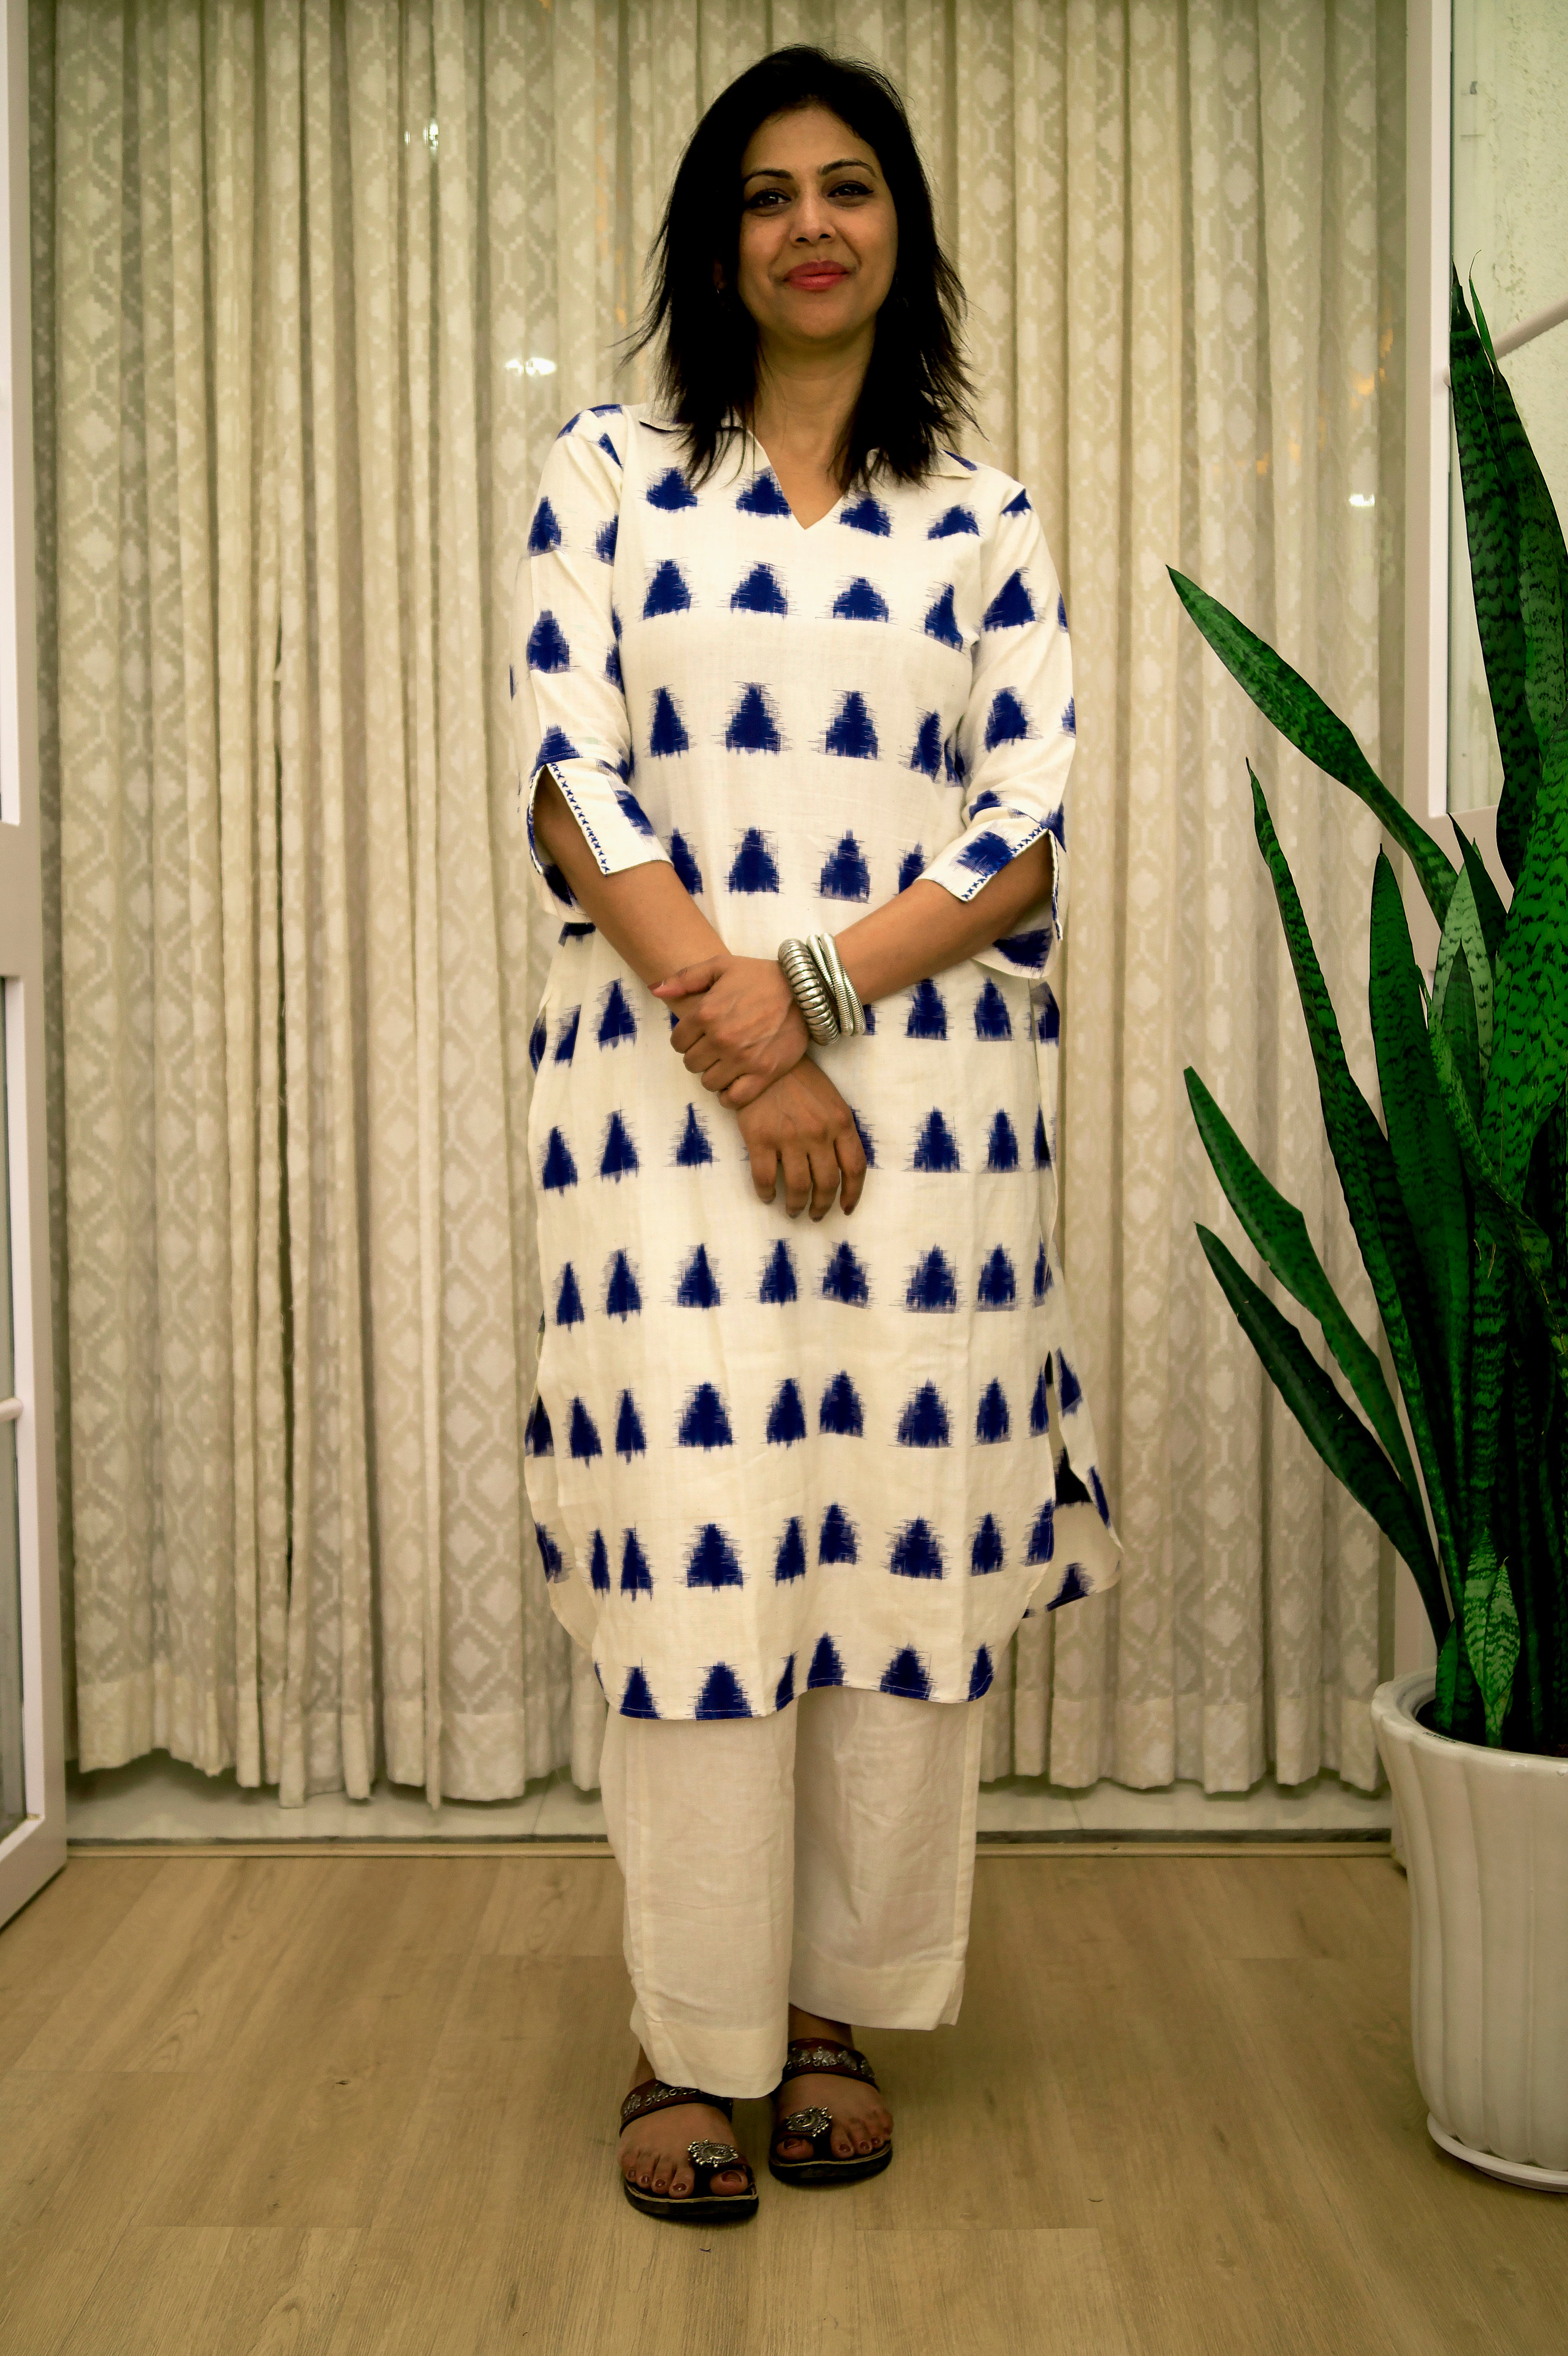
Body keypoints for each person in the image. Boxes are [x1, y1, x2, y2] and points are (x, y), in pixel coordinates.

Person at [509, 44, 1118, 2226]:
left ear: (899, 230)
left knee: (888, 1539)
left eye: (847, 186)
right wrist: (751, 1039)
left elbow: (1022, 832)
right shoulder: (608, 473)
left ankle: (835, 2006)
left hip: (928, 1125)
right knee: (696, 1544)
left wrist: (821, 1000)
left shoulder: (982, 516)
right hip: (660, 1119)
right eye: (764, 194)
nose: (809, 225)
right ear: (717, 245)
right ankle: (690, 2033)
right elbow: (571, 782)